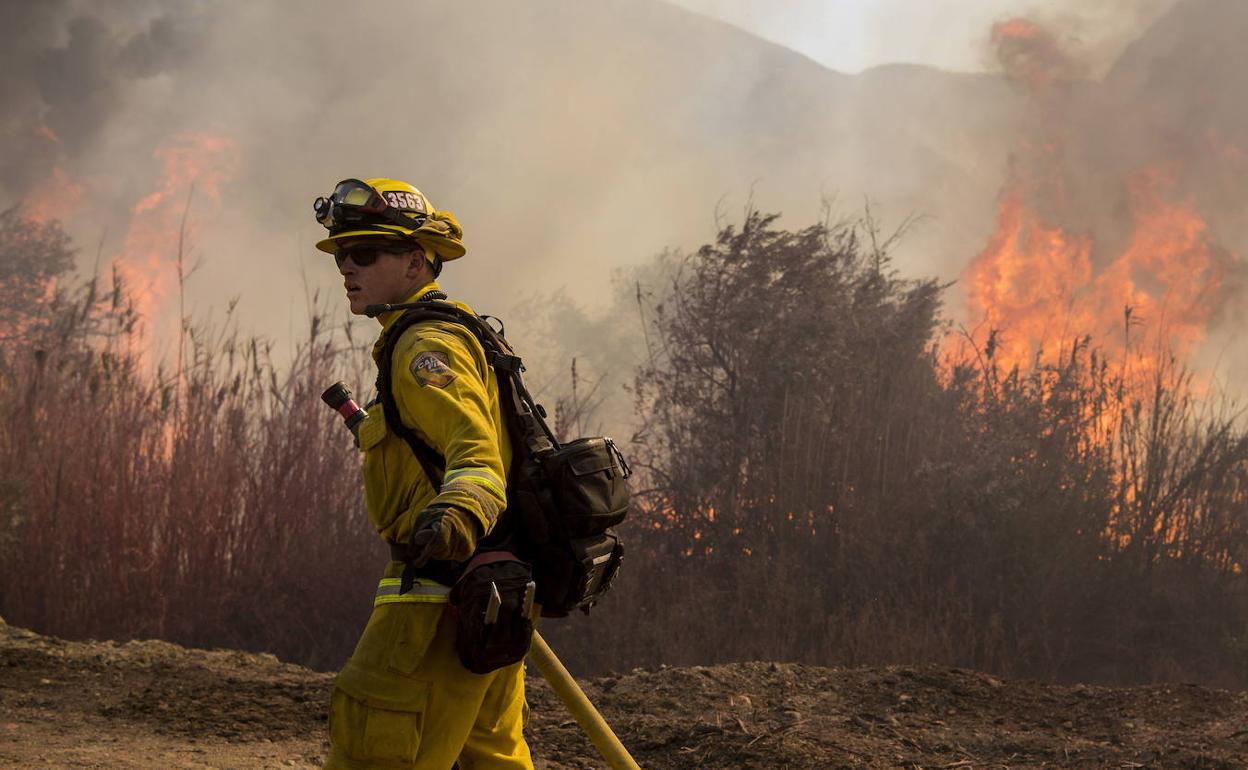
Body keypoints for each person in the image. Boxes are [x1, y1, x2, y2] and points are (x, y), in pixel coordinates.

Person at [316, 177, 533, 770]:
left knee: (376, 745)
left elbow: (477, 456)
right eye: (341, 254)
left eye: (364, 253)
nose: (346, 267)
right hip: (493, 593)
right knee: (491, 756)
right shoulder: (451, 332)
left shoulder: (423, 349)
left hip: (439, 598)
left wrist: (456, 513)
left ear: (416, 262)